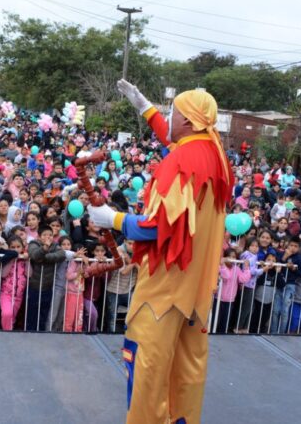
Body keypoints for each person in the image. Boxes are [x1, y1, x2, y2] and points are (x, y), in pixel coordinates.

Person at [88, 83, 233, 423]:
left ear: (188, 119)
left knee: (147, 370)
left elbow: (158, 227)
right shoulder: (215, 156)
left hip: (164, 289)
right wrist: (145, 107)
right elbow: (176, 141)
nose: (168, 118)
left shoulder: (180, 161)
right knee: (186, 370)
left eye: (173, 112)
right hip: (195, 290)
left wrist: (114, 218)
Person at [26, 225, 65, 331]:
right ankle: (30, 332)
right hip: (34, 285)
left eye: (50, 235)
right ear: (39, 236)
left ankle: (41, 334)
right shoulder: (34, 243)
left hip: (48, 286)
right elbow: (34, 255)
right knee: (32, 312)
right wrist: (44, 248)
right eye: (45, 235)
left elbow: (61, 255)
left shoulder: (55, 246)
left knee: (44, 312)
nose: (48, 237)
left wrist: (43, 258)